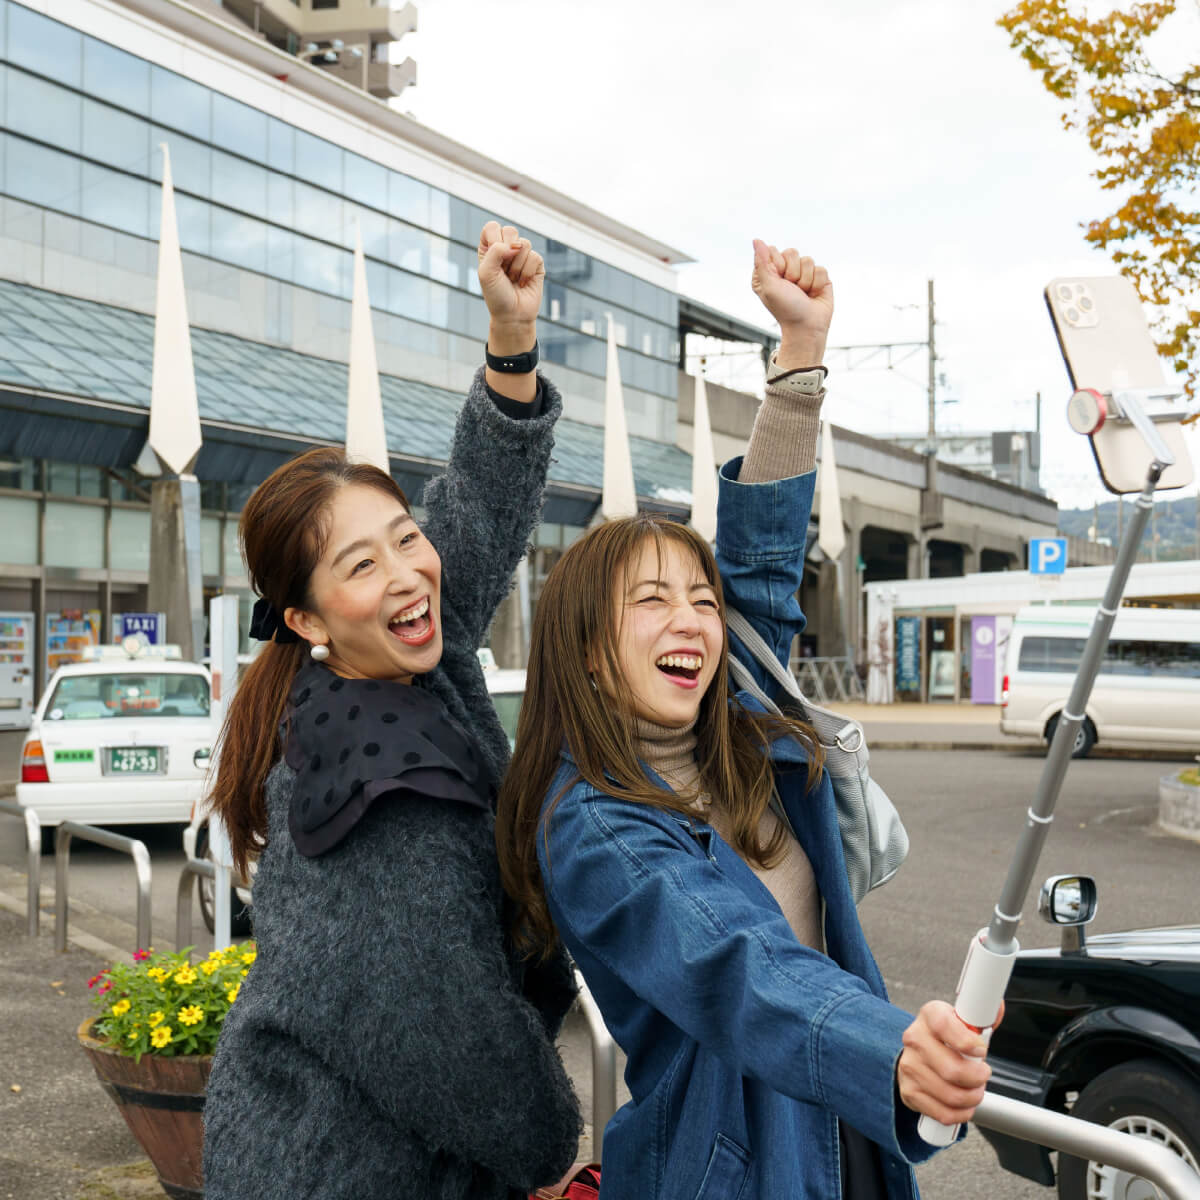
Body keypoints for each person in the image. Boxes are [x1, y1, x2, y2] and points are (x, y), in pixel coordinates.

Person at [496, 242, 994, 1199]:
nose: (691, 618)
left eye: (700, 600)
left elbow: (760, 565)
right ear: (591, 650)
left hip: (841, 1129)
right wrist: (893, 1050)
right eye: (651, 601)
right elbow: (737, 961)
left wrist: (799, 356)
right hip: (729, 1166)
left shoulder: (734, 732)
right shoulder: (593, 823)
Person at [202, 222, 581, 1200]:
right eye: (360, 564)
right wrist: (545, 1145)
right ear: (306, 617)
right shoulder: (376, 786)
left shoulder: (398, 662)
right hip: (345, 1169)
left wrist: (510, 335)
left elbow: (481, 514)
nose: (409, 573)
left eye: (404, 539)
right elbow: (441, 1034)